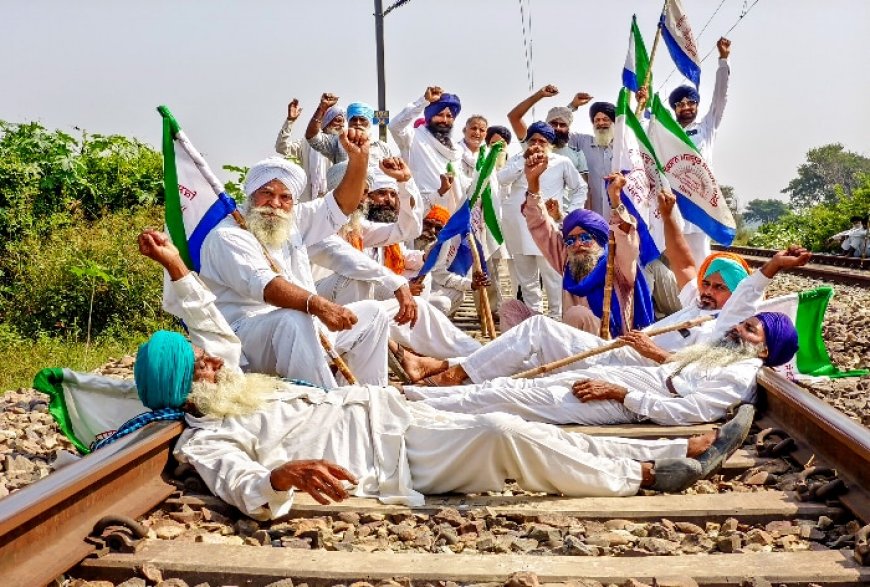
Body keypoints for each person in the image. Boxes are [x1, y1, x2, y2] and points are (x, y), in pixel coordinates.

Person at [129, 228, 753, 520]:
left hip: (388, 411)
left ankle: (676, 446)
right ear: (185, 390)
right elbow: (236, 480)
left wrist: (175, 267)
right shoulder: (209, 432)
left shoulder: (229, 378)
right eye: (199, 368)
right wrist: (276, 477)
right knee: (500, 430)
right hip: (384, 458)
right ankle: (646, 472)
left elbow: (209, 325)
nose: (213, 361)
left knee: (507, 414)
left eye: (206, 357)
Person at [190, 130, 393, 387]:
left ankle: (370, 396)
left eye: (285, 197)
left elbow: (342, 204)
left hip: (303, 328)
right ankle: (326, 401)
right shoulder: (228, 236)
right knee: (294, 318)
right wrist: (320, 306)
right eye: (266, 193)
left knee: (373, 313)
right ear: (251, 195)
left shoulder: (292, 220)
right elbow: (268, 286)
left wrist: (359, 159)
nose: (275, 203)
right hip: (245, 339)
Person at [404, 311, 796, 427]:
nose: (735, 328)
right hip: (640, 380)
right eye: (742, 323)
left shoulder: (739, 373)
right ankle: (416, 396)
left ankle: (415, 408)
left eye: (748, 329)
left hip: (633, 399)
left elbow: (691, 411)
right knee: (514, 388)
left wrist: (621, 394)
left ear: (764, 350)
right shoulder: (725, 355)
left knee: (508, 396)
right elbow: (683, 373)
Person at [308, 161, 482, 360]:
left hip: (361, 307)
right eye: (361, 191)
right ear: (337, 191)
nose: (363, 198)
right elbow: (349, 260)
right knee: (356, 278)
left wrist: (405, 183)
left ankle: (480, 356)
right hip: (317, 307)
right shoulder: (316, 219)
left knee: (420, 308)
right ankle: (351, 349)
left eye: (365, 192)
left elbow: (407, 230)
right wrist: (399, 284)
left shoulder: (357, 226)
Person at [500, 149, 647, 333]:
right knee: (511, 310)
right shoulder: (568, 262)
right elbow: (540, 226)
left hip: (610, 344)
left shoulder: (618, 264)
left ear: (599, 239)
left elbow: (626, 236)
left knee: (577, 314)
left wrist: (615, 199)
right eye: (571, 240)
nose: (578, 245)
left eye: (585, 238)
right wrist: (533, 183)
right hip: (571, 342)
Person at [649, 37, 733, 266]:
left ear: (696, 105)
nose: (686, 107)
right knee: (674, 258)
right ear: (674, 108)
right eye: (680, 104)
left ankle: (700, 299)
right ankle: (678, 301)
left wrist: (723, 61)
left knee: (699, 258)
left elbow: (720, 99)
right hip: (674, 201)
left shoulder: (706, 127)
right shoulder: (667, 133)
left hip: (701, 200)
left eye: (690, 103)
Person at [497, 123, 584, 324]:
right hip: (518, 228)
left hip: (547, 228)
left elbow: (580, 187)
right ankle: (533, 323)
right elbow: (501, 180)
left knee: (553, 279)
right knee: (527, 282)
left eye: (542, 141)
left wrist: (568, 214)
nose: (537, 144)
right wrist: (524, 162)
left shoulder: (562, 162)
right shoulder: (518, 159)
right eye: (533, 140)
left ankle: (556, 320)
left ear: (550, 144)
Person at [389, 86, 466, 214]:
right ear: (430, 116)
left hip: (449, 212)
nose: (445, 120)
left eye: (449, 116)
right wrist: (423, 101)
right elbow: (394, 126)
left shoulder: (456, 149)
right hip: (420, 210)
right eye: (440, 115)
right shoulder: (413, 137)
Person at [507, 85, 590, 180]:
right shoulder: (533, 145)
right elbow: (514, 117)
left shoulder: (576, 154)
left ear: (568, 128)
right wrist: (539, 95)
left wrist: (573, 106)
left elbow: (584, 188)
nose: (558, 128)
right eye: (553, 124)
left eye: (562, 125)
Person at [274, 98, 343, 202]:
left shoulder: (343, 145)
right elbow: (281, 147)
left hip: (335, 201)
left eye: (343, 121)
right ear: (327, 121)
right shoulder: (306, 143)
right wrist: (290, 121)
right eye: (338, 120)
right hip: (309, 203)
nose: (341, 125)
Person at [305, 93, 394, 167]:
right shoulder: (338, 142)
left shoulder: (382, 147)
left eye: (362, 119)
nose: (358, 123)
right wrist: (322, 108)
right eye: (354, 119)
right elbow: (312, 137)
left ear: (370, 123)